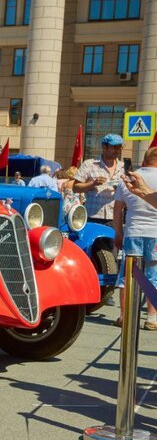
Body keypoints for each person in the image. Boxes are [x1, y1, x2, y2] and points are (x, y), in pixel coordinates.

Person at [113, 147, 157, 329]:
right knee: (153, 275)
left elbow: (117, 209)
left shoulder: (130, 178)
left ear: (144, 161)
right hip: (155, 234)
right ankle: (152, 318)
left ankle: (126, 316)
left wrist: (118, 232)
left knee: (129, 274)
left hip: (133, 231)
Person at [73, 133, 125, 228]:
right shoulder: (89, 164)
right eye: (114, 147)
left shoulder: (123, 167)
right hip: (93, 216)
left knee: (112, 243)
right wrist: (93, 183)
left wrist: (120, 189)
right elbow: (75, 188)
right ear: (104, 147)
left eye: (120, 147)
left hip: (115, 217)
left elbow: (129, 191)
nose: (117, 151)